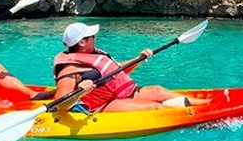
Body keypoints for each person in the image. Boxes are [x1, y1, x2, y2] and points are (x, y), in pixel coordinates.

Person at [52, 22, 210, 112]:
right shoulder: (69, 69)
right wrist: (80, 93)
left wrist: (139, 59)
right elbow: (60, 103)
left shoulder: (93, 54)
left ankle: (209, 106)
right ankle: (199, 117)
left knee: (158, 91)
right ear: (82, 42)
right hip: (102, 106)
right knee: (154, 108)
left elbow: (115, 70)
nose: (95, 38)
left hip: (122, 94)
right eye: (92, 36)